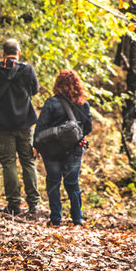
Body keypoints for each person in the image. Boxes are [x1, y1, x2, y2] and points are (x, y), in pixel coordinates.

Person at [0, 39, 40, 217]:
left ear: (3, 53)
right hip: (26, 122)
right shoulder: (28, 70)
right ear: (18, 53)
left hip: (3, 123)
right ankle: (33, 204)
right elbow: (35, 91)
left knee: (8, 162)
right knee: (28, 161)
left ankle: (14, 205)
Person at [33, 69, 93, 226]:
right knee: (72, 183)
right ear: (77, 85)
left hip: (52, 151)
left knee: (53, 182)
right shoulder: (83, 105)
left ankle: (55, 218)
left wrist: (36, 146)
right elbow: (88, 127)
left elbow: (41, 127)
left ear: (58, 84)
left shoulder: (51, 103)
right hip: (75, 149)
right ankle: (77, 218)